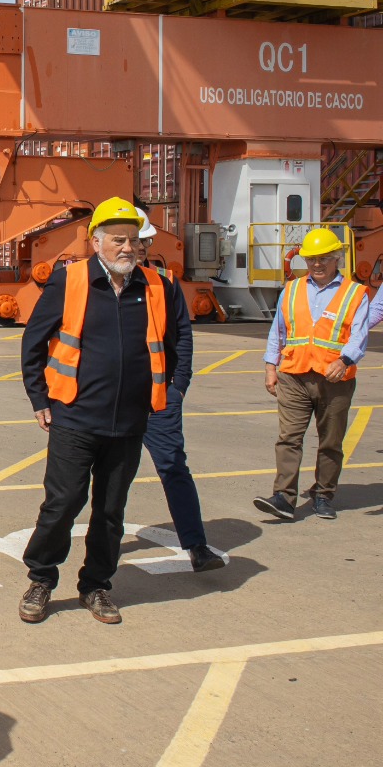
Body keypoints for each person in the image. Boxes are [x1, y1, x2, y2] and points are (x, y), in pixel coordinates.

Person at [17, 197, 181, 625]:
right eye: (118, 240)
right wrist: (39, 398)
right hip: (74, 415)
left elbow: (175, 344)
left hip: (129, 421)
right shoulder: (69, 281)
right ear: (96, 242)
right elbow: (33, 341)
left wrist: (172, 391)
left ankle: (96, 585)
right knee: (62, 503)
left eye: (134, 240)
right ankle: (41, 579)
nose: (128, 248)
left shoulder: (157, 287)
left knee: (110, 511)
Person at [255, 228, 369, 522]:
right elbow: (278, 331)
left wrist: (344, 361)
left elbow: (359, 336)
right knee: (288, 438)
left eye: (323, 258)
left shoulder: (355, 293)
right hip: (294, 375)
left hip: (335, 379)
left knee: (330, 441)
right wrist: (270, 367)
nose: (316, 264)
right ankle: (283, 497)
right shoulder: (292, 289)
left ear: (337, 259)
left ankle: (323, 495)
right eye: (311, 259)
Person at [137, 218, 226, 571]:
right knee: (111, 476)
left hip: (159, 398)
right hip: (111, 400)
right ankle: (102, 548)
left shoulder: (164, 283)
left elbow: (182, 334)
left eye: (143, 241)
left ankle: (196, 545)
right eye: (129, 239)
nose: (136, 248)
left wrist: (179, 385)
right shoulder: (90, 283)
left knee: (174, 467)